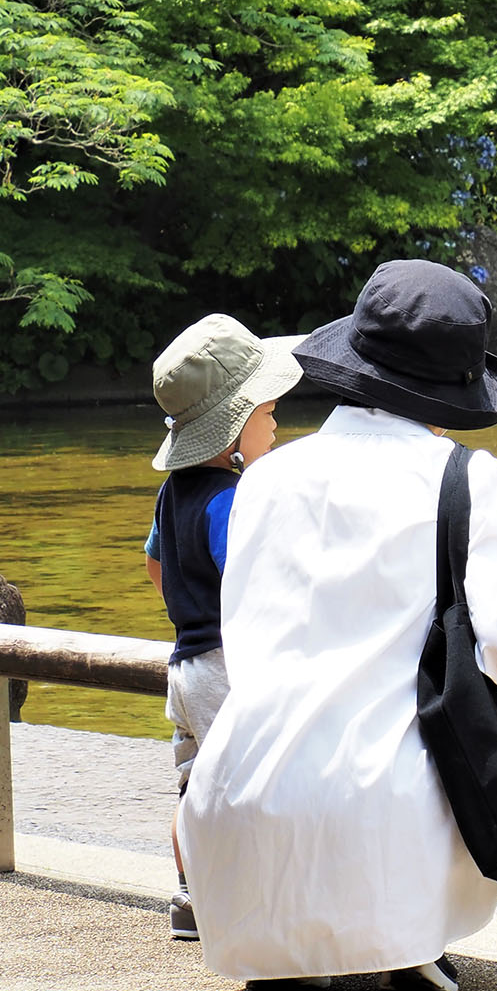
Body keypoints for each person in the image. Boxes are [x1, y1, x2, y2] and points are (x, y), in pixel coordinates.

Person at [178, 259, 497, 991]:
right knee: (422, 760)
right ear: (452, 384)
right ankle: (404, 940)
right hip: (385, 827)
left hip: (235, 811)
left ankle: (318, 945)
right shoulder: (466, 478)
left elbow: (245, 629)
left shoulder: (265, 478)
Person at [143, 313, 304, 942]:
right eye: (267, 414)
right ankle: (256, 894)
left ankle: (189, 896)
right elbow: (250, 581)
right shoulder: (231, 500)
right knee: (247, 782)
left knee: (193, 783)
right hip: (225, 666)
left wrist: (189, 610)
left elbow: (156, 565)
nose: (276, 425)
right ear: (235, 431)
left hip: (184, 665)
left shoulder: (173, 493)